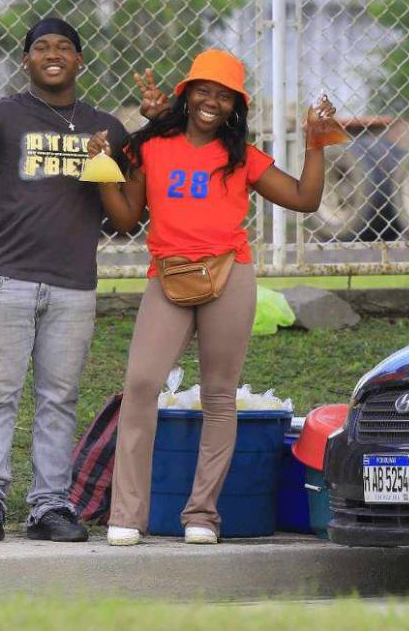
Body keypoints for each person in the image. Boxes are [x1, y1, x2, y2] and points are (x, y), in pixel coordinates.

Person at [85, 49, 336, 546]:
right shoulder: (150, 145)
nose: (212, 102)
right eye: (204, 91)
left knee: (220, 395)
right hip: (168, 276)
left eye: (224, 96)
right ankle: (127, 515)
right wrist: (103, 169)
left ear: (235, 106)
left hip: (229, 273)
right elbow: (126, 218)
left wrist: (315, 142)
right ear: (187, 94)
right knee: (141, 385)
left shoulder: (241, 156)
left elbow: (305, 199)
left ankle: (202, 514)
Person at [0, 16, 129, 544]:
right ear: (26, 60)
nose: (52, 54)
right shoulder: (1, 115)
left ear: (80, 60)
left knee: (59, 398)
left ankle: (49, 506)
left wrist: (142, 128)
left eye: (63, 46)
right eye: (41, 47)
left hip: (73, 284)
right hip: (6, 280)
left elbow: (127, 210)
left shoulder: (105, 126)